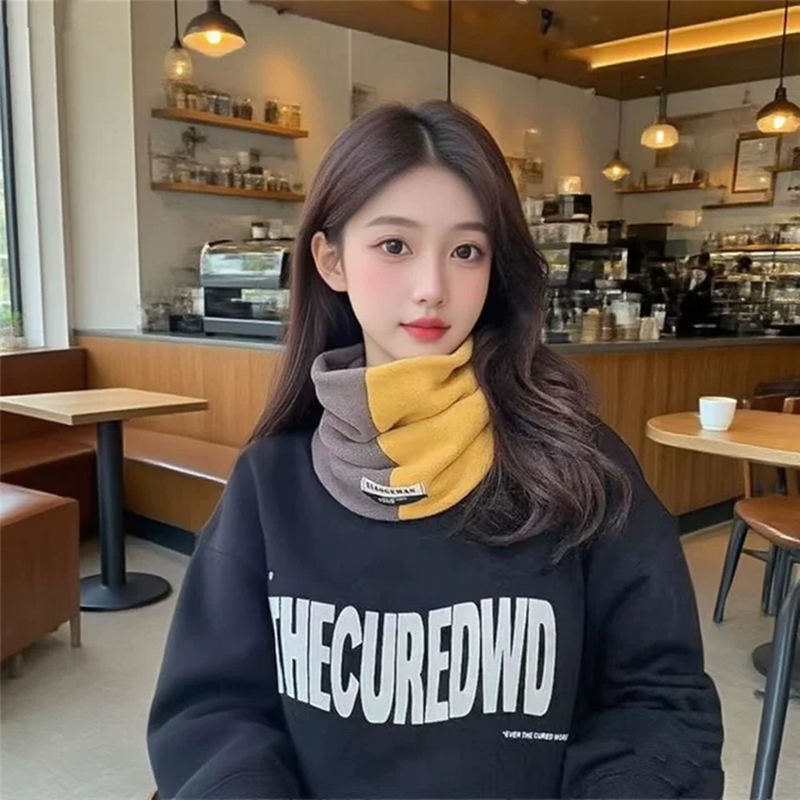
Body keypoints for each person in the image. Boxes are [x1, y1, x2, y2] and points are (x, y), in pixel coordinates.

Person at [147, 102, 724, 799]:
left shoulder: (582, 467)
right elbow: (212, 713)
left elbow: (659, 702)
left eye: (466, 251)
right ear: (331, 259)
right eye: (395, 245)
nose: (432, 289)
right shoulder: (270, 484)